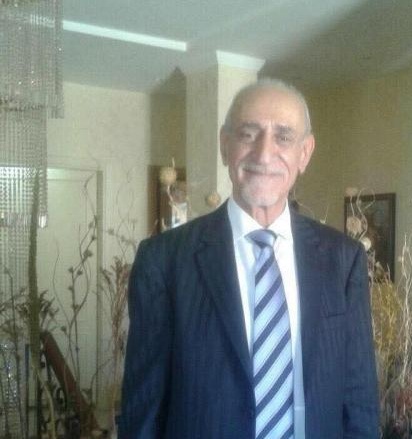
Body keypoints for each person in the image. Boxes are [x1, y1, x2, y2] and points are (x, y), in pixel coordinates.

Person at [117, 79, 379, 438]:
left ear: (304, 153)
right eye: (248, 134)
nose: (264, 154)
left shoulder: (343, 260)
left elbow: (360, 402)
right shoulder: (163, 261)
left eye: (283, 137)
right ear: (225, 145)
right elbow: (143, 413)